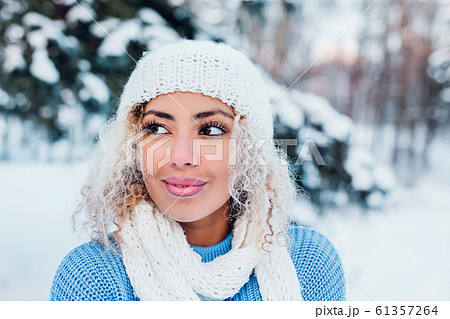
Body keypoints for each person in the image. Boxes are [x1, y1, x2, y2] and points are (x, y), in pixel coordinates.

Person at [49, 39, 346, 301]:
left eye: (211, 130)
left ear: (250, 150)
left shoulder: (308, 264)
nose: (181, 157)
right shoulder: (93, 278)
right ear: (133, 144)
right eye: (157, 128)